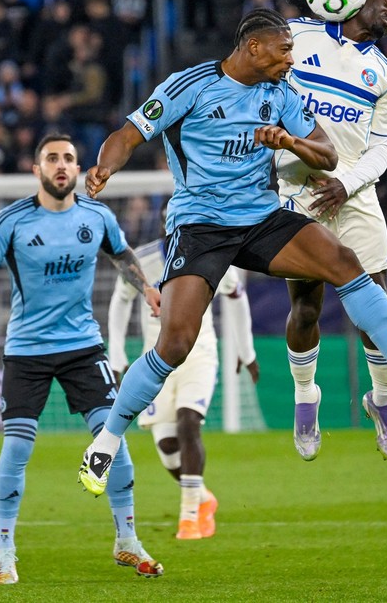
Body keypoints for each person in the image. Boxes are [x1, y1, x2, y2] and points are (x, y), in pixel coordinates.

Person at [76, 8, 387, 497]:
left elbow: (327, 154)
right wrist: (103, 168)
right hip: (200, 226)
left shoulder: (281, 94)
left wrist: (291, 140)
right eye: (284, 50)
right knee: (175, 342)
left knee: (345, 263)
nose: (291, 58)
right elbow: (127, 135)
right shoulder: (188, 86)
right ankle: (106, 442)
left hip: (262, 218)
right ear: (253, 48)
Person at [0, 133, 164, 584]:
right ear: (37, 170)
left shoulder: (97, 215)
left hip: (83, 347)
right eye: (52, 159)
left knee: (114, 439)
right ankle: (4, 549)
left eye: (69, 158)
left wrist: (145, 285)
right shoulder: (11, 221)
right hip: (26, 350)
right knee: (17, 447)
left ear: (78, 167)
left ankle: (127, 540)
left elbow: (121, 253)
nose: (62, 165)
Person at [277, 0, 387, 463]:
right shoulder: (298, 36)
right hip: (301, 189)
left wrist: (348, 183)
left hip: (355, 193)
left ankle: (383, 403)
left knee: (376, 306)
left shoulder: (384, 73)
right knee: (306, 308)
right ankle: (307, 398)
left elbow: (382, 149)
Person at [109, 224, 259, 539]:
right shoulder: (145, 259)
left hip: (199, 353)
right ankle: (202, 497)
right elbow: (121, 298)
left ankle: (189, 516)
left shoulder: (210, 254)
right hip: (156, 360)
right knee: (166, 447)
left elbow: (235, 294)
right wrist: (118, 355)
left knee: (188, 423)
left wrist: (246, 350)